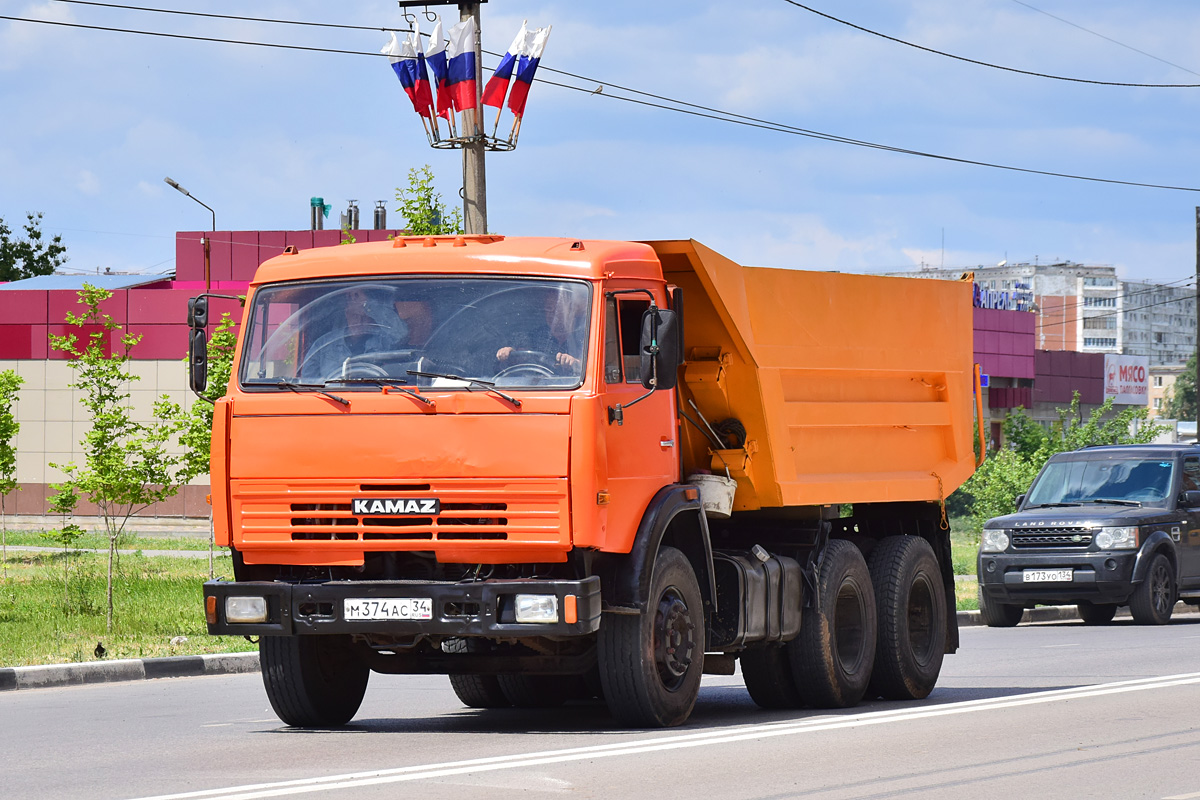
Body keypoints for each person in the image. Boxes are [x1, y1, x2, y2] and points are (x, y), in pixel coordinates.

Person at [299, 285, 408, 380]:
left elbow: (402, 333)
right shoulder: (324, 345)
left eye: (365, 317)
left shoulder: (384, 341)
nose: (359, 322)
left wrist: (368, 305)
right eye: (355, 316)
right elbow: (307, 380)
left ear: (372, 319)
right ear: (347, 315)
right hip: (333, 399)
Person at [495, 286, 587, 374]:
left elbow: (592, 371)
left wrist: (575, 364)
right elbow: (507, 367)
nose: (552, 313)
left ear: (571, 310)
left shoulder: (584, 337)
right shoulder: (533, 337)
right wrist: (509, 354)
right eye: (548, 308)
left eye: (558, 308)